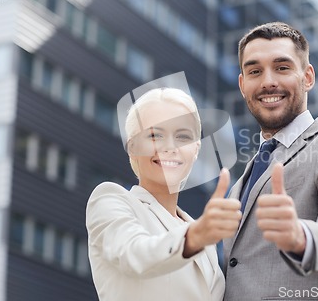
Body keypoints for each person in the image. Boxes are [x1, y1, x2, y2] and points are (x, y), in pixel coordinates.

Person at [222, 22, 318, 301]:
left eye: (282, 68)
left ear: (307, 77)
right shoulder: (239, 183)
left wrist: (301, 236)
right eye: (255, 71)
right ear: (242, 84)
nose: (268, 81)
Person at [86, 88, 242, 301]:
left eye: (182, 136)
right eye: (155, 135)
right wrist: (195, 237)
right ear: (132, 147)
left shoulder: (202, 237)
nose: (170, 146)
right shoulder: (110, 200)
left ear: (196, 150)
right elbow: (135, 254)